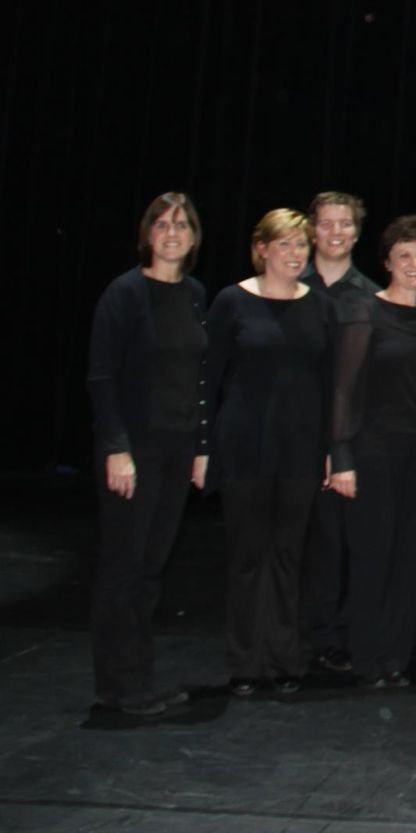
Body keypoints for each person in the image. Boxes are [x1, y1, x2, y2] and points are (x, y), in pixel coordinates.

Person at [328, 215, 416, 688]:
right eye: (404, 255)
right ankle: (367, 658)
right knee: (374, 556)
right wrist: (342, 457)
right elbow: (344, 391)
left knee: (409, 559)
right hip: (373, 455)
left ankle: (395, 658)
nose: (415, 263)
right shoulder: (365, 311)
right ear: (387, 262)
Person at [203, 208, 336, 696]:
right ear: (262, 249)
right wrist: (202, 448)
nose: (295, 253)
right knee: (247, 555)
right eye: (285, 244)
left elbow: (328, 384)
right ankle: (245, 662)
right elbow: (208, 376)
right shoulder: (231, 301)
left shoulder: (320, 306)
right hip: (244, 444)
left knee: (287, 555)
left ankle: (283, 660)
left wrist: (330, 449)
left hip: (300, 447)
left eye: (302, 244)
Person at [86, 192, 208, 716]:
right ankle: (118, 685)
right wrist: (116, 448)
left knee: (152, 567)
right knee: (124, 567)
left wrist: (201, 447)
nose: (172, 233)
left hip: (178, 449)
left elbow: (198, 379)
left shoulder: (195, 294)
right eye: (162, 224)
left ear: (194, 236)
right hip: (134, 450)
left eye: (182, 224)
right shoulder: (125, 293)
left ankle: (138, 676)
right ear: (147, 234)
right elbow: (102, 376)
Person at [300, 191, 381, 674]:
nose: (335, 232)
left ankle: (335, 637)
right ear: (312, 230)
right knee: (296, 544)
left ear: (356, 231)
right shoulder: (289, 285)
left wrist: (343, 447)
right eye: (326, 223)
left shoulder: (370, 296)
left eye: (344, 223)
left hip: (350, 442)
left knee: (342, 544)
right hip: (293, 437)